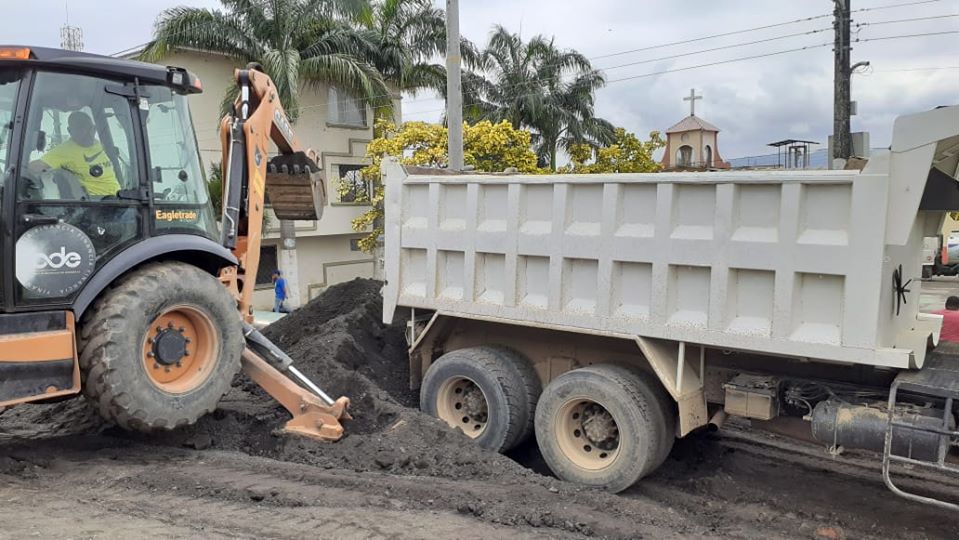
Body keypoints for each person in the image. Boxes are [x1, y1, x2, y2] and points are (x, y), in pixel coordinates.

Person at [28, 111, 121, 198]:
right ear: (70, 131)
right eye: (80, 129)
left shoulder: (99, 144)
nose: (87, 133)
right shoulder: (65, 150)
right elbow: (35, 166)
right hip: (96, 201)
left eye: (90, 129)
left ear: (94, 128)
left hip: (118, 197)